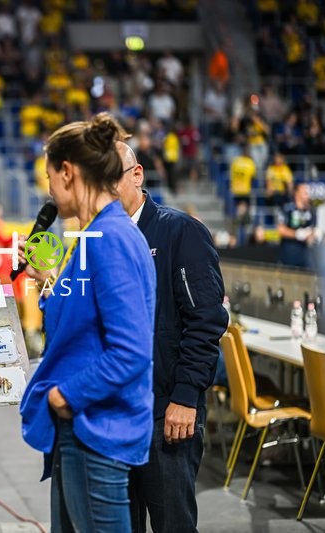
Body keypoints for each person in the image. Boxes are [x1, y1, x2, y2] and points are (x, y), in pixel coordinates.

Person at [19, 113, 156, 532]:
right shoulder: (97, 234)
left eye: (48, 175)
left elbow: (131, 349)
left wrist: (65, 395)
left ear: (67, 171)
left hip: (95, 430)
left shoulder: (109, 238)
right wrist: (46, 283)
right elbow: (81, 322)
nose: (47, 188)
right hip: (86, 429)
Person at [115, 141, 228, 533]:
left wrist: (185, 396)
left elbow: (206, 322)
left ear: (137, 175)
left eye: (114, 176)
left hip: (167, 413)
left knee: (172, 525)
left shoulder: (180, 231)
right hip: (115, 416)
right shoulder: (97, 242)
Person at [277, 181, 317, 268]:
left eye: (307, 193)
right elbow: (280, 230)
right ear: (297, 193)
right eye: (304, 192)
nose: (307, 195)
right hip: (288, 254)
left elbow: (313, 229)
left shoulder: (310, 211)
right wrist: (297, 234)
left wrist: (312, 235)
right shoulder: (287, 208)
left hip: (305, 256)